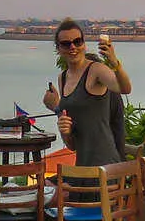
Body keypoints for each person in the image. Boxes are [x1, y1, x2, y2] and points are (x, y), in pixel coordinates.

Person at [41, 18, 126, 167]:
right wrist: (58, 112)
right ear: (58, 49)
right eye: (66, 44)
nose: (72, 47)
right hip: (83, 165)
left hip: (105, 165)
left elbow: (125, 89)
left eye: (77, 41)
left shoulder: (98, 73)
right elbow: (72, 144)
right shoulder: (63, 79)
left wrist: (115, 63)